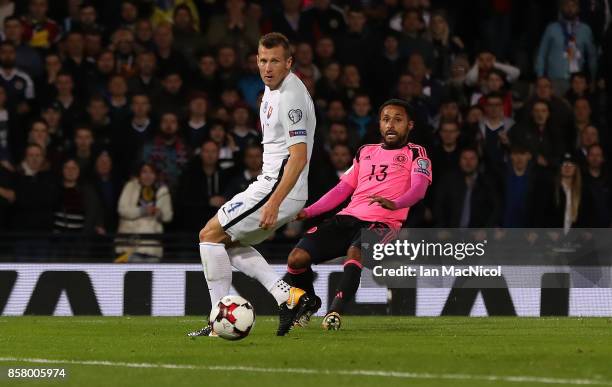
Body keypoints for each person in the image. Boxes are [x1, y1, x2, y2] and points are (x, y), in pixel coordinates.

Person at [188, 32, 316, 338]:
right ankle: (288, 295)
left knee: (209, 236)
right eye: (262, 60)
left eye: (274, 61)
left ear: (289, 63)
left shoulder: (290, 96)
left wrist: (274, 202)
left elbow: (298, 158)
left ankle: (218, 321)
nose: (267, 67)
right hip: (272, 186)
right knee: (226, 243)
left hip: (277, 189)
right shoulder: (273, 90)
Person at [284, 99, 431, 330]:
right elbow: (342, 190)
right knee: (296, 258)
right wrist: (308, 211)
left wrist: (395, 203)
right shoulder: (365, 152)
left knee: (356, 251)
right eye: (385, 119)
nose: (391, 125)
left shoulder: (417, 153)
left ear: (409, 125)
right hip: (347, 217)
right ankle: (310, 302)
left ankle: (334, 313)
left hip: (382, 222)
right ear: (379, 124)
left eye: (398, 120)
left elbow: (419, 189)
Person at [116, 163, 173, 262]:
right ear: (139, 174)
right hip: (129, 245)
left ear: (156, 175)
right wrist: (143, 211)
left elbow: (168, 216)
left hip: (152, 247)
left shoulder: (162, 190)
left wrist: (158, 213)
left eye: (151, 172)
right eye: (144, 172)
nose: (148, 175)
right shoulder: (130, 186)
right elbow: (122, 210)